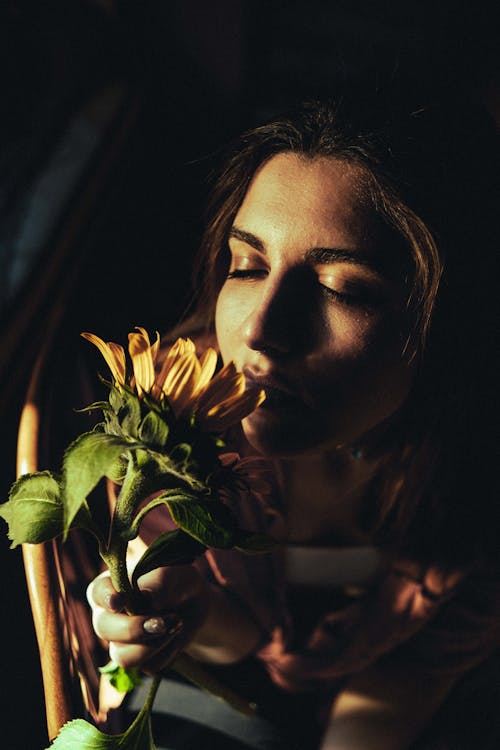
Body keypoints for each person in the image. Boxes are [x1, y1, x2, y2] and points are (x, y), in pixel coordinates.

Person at [87, 89, 500, 749]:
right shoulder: (173, 417)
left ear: (451, 329)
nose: (259, 329)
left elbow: (411, 673)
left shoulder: (477, 472)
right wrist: (193, 614)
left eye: (343, 288)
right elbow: (221, 643)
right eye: (248, 265)